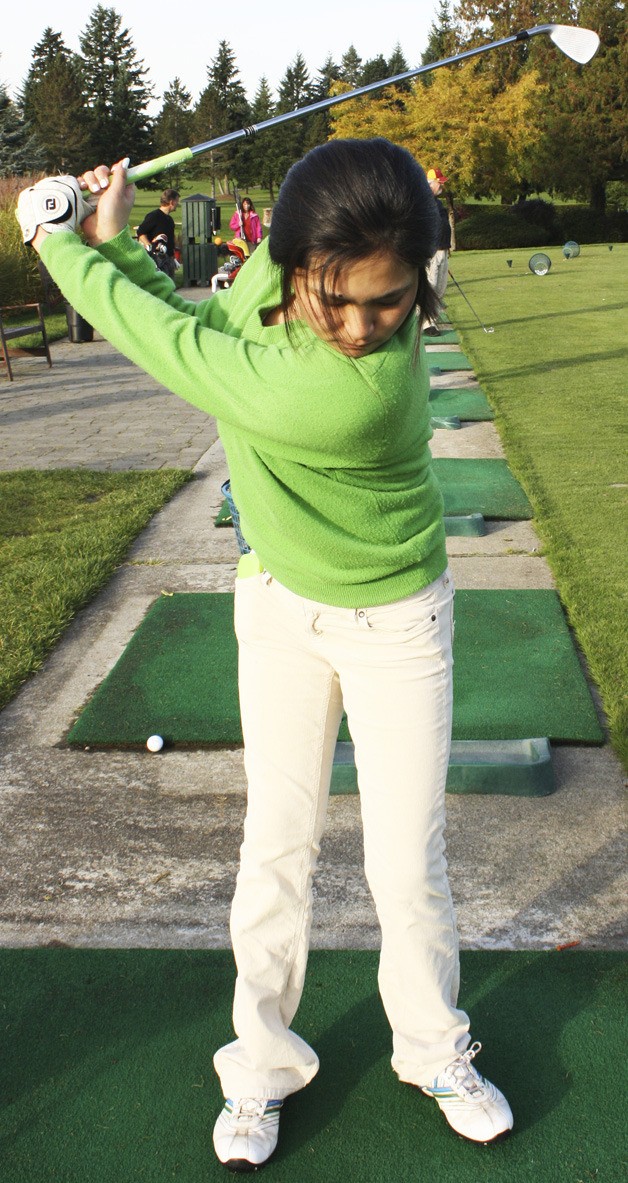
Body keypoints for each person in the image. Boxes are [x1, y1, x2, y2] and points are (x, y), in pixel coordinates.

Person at [17, 139, 513, 1172]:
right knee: (275, 847)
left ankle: (432, 1049)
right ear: (290, 263)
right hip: (281, 607)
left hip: (396, 622)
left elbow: (169, 350)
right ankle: (261, 1064)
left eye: (387, 302)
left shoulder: (351, 392)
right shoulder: (271, 288)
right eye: (338, 299)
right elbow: (204, 320)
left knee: (400, 860)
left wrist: (60, 244)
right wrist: (119, 241)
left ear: (415, 281)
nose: (362, 326)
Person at [423, 167, 451, 337]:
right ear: (431, 183)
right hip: (431, 252)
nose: (442, 185)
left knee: (440, 288)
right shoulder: (423, 201)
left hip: (443, 250)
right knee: (430, 287)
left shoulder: (438, 203)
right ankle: (426, 323)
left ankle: (432, 317)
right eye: (439, 182)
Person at [136, 187, 180, 275]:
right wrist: (149, 246)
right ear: (171, 202)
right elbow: (141, 232)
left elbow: (171, 239)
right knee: (162, 284)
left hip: (169, 258)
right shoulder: (154, 216)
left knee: (170, 285)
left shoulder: (169, 219)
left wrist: (174, 258)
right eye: (177, 201)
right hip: (158, 259)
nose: (177, 204)